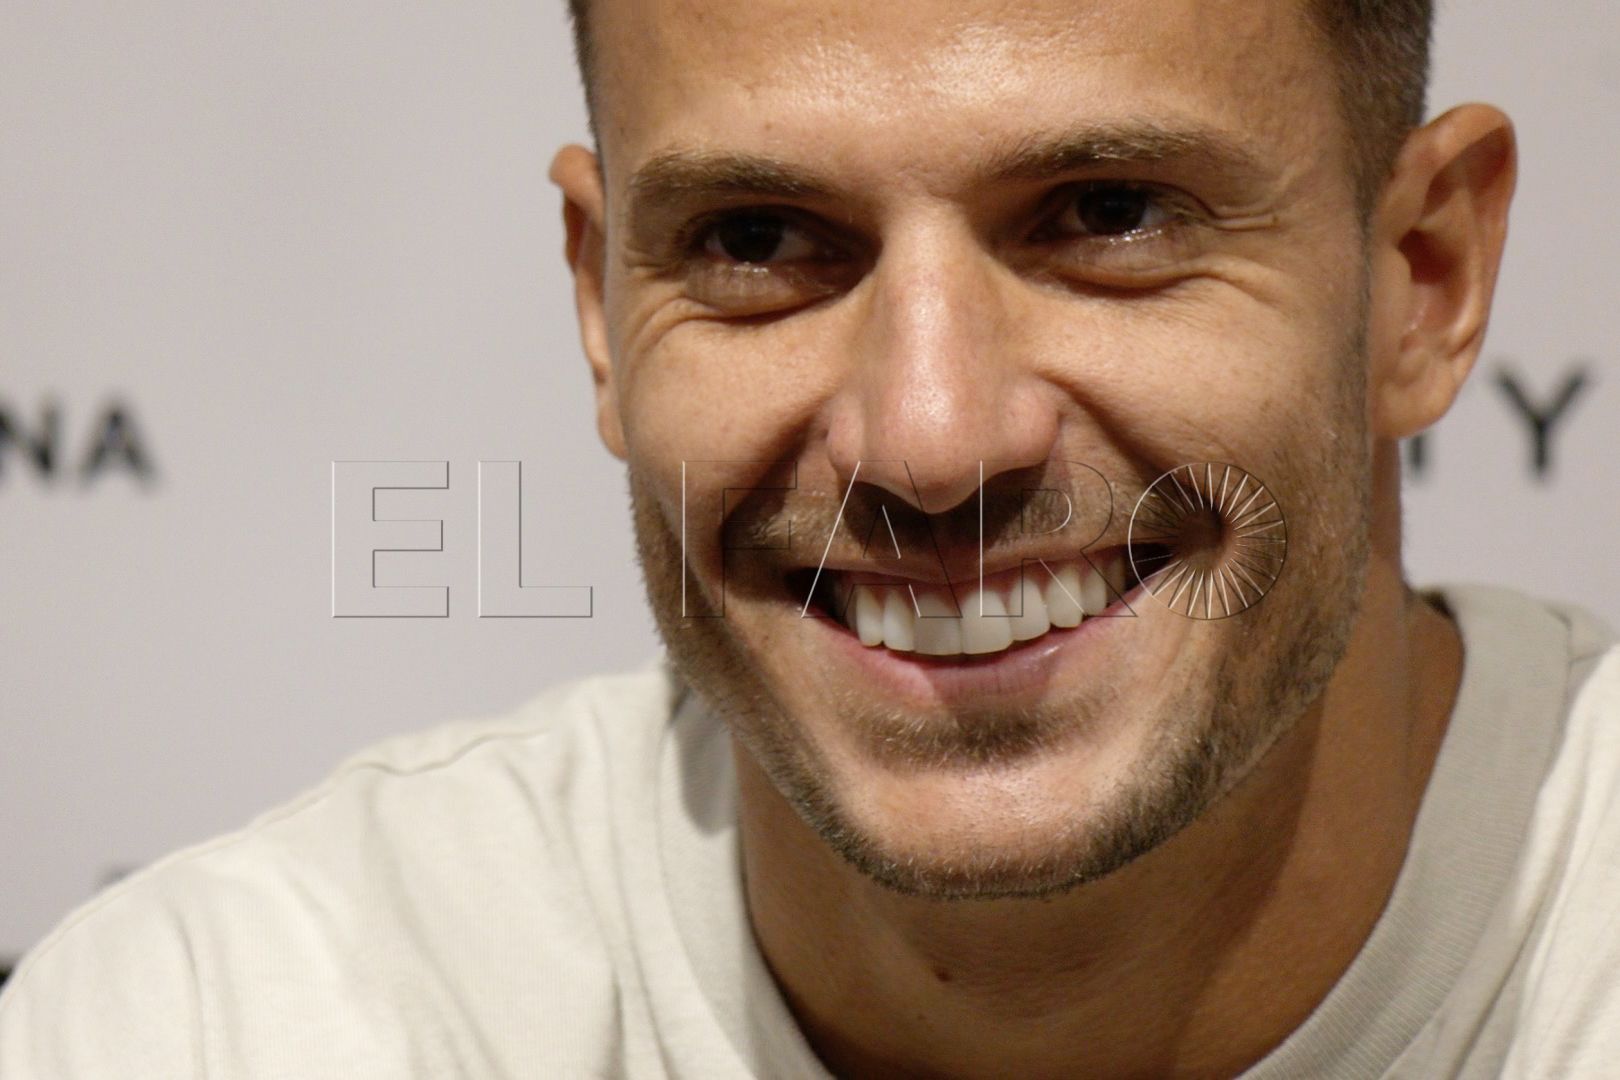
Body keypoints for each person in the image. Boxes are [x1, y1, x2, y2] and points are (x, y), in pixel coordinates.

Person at [3, 0, 1618, 1076]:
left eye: (1110, 214)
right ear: (602, 310)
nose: (930, 442)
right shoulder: (232, 1024)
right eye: (759, 238)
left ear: (1425, 277)